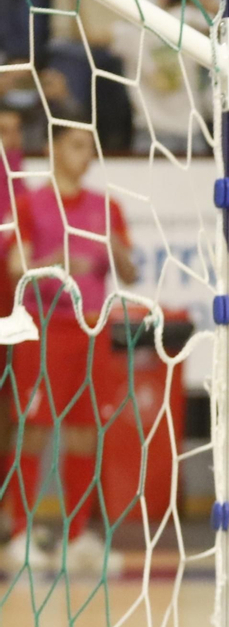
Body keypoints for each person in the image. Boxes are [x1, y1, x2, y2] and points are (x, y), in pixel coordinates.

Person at [5, 127, 138, 574]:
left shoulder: (107, 208)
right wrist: (55, 264)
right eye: (78, 146)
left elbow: (131, 273)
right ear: (54, 149)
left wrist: (116, 249)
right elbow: (15, 265)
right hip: (43, 328)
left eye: (92, 147)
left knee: (86, 433)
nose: (88, 156)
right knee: (34, 428)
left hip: (93, 327)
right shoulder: (31, 204)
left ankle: (77, 536)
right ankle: (21, 533)